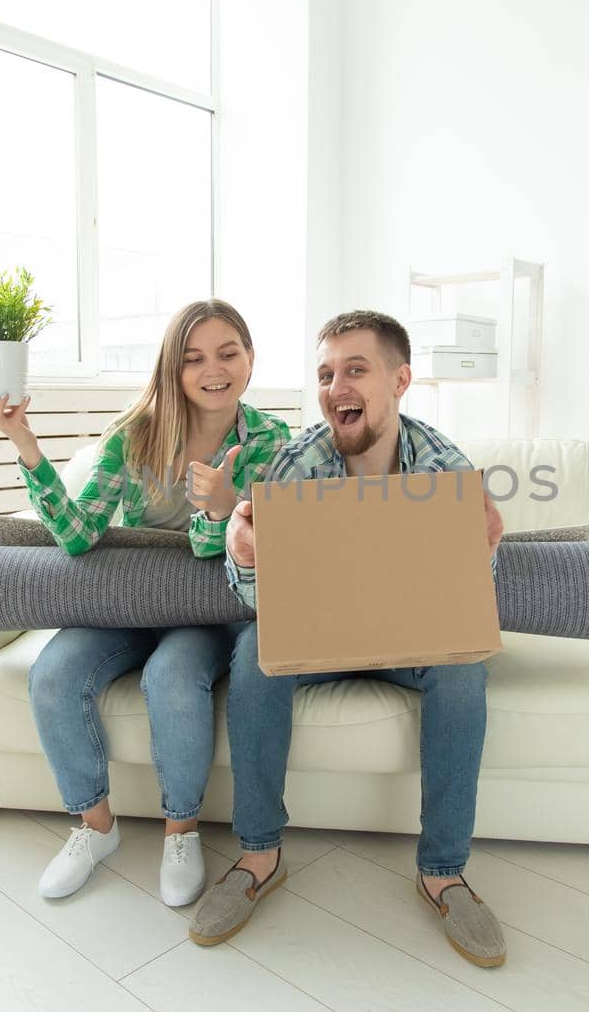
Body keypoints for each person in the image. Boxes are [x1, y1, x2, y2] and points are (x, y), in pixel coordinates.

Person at [188, 310, 508, 967]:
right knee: (254, 653)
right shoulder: (296, 463)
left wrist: (484, 554)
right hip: (320, 641)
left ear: (400, 381)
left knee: (463, 668)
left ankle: (443, 872)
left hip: (412, 644)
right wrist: (244, 553)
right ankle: (258, 855)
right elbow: (256, 602)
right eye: (327, 374)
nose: (337, 387)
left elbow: (468, 602)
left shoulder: (446, 467)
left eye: (355, 370)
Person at [0, 299, 290, 906]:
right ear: (173, 367)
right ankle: (95, 829)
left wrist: (220, 508)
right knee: (54, 677)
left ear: (250, 360)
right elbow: (78, 535)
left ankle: (181, 830)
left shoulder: (272, 440)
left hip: (208, 606)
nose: (212, 369)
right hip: (129, 601)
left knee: (171, 678)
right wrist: (25, 443)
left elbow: (223, 551)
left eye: (228, 353)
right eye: (193, 358)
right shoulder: (134, 434)